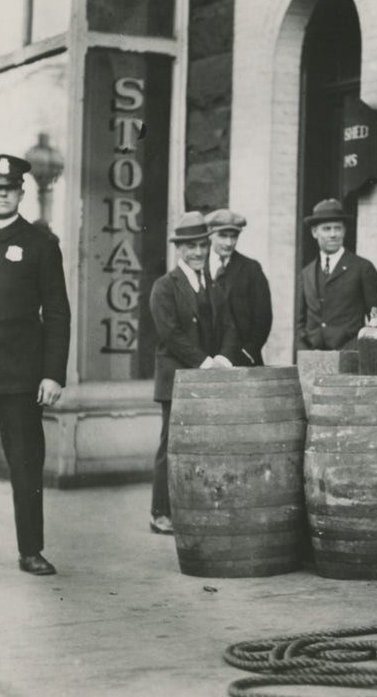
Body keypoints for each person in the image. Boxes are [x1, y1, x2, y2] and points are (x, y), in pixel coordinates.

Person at [0, 153, 70, 576]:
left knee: (25, 468)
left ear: (21, 192)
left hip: (22, 378)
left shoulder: (41, 244)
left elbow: (57, 312)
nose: (1, 195)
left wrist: (53, 373)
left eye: (9, 189)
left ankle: (30, 550)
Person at [148, 212, 240, 534]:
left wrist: (224, 360)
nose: (198, 252)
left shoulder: (212, 286)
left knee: (204, 446)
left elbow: (230, 326)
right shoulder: (164, 287)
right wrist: (205, 363)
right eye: (190, 246)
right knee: (171, 446)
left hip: (209, 378)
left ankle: (195, 509)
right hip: (178, 379)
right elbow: (171, 335)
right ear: (179, 249)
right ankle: (161, 512)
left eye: (202, 245)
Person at [295, 198, 377, 351]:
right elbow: (300, 322)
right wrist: (305, 349)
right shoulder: (307, 273)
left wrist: (357, 350)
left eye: (338, 228)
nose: (333, 234)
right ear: (314, 232)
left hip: (350, 355)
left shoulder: (362, 268)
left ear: (344, 231)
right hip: (314, 356)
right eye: (327, 229)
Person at [205, 208, 272, 365]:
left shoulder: (251, 269)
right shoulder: (199, 267)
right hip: (206, 361)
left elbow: (263, 318)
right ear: (209, 234)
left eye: (233, 236)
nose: (228, 243)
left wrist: (248, 352)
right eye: (222, 236)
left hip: (242, 359)